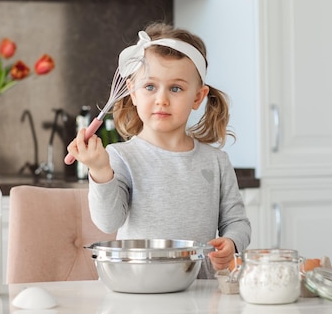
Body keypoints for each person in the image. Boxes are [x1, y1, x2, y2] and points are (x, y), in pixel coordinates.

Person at [67, 22, 251, 275]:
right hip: (138, 290)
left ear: (198, 97)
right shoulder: (120, 157)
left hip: (198, 290)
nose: (161, 99)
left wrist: (231, 242)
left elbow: (237, 222)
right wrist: (99, 170)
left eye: (176, 88)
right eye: (150, 87)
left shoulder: (216, 162)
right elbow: (108, 221)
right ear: (132, 91)